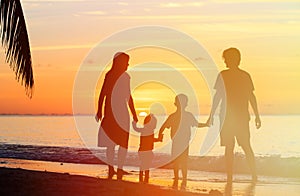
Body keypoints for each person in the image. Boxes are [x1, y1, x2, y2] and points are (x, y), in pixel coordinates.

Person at [207, 47, 261, 183]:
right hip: (235, 117)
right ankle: (249, 176)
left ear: (232, 59)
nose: (224, 62)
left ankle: (239, 176)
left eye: (226, 59)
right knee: (243, 146)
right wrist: (257, 115)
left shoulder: (227, 75)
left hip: (231, 117)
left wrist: (257, 115)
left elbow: (219, 96)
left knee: (234, 147)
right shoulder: (242, 75)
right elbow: (250, 96)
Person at [95, 52, 138, 180]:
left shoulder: (126, 77)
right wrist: (99, 110)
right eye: (126, 62)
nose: (128, 65)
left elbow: (129, 96)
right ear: (119, 62)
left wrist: (134, 114)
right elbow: (103, 93)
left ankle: (119, 168)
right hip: (110, 113)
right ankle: (111, 168)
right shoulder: (110, 75)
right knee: (110, 143)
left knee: (123, 143)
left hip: (123, 113)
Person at [158, 94, 208, 190]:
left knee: (178, 161)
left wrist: (160, 135)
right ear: (185, 104)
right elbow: (197, 124)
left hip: (181, 142)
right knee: (182, 161)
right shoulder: (183, 115)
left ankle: (179, 178)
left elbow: (163, 127)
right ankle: (182, 179)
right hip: (181, 142)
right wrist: (205, 124)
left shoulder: (176, 116)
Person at [132, 114, 161, 183]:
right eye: (154, 123)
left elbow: (136, 129)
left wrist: (134, 123)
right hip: (144, 150)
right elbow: (136, 129)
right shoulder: (145, 130)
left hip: (145, 150)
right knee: (145, 163)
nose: (155, 125)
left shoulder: (147, 130)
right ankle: (143, 175)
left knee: (145, 163)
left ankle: (143, 175)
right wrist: (158, 139)